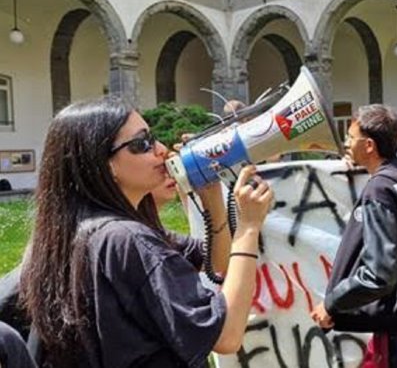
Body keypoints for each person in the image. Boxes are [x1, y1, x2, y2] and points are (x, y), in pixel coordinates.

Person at [20, 97, 273, 367]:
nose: (161, 149)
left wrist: (211, 199)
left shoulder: (77, 233)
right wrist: (248, 228)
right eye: (143, 144)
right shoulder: (129, 239)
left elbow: (217, 264)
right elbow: (226, 334)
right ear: (106, 165)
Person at [310, 104, 397, 367]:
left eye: (350, 137)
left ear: (369, 145)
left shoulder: (380, 190)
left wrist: (333, 304)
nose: (346, 143)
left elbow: (381, 273)